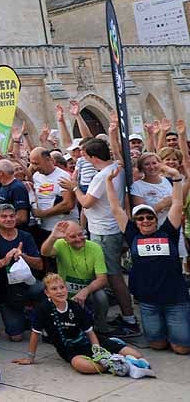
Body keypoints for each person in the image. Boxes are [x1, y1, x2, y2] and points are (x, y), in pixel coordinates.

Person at [104, 166, 190, 353]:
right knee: (157, 345)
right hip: (149, 300)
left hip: (175, 299)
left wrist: (176, 179)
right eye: (140, 218)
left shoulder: (168, 231)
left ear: (155, 219)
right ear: (136, 222)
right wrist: (109, 182)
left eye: (149, 217)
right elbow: (115, 208)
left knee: (182, 348)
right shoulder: (132, 234)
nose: (145, 220)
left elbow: (176, 204)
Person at [61, 138, 140, 337]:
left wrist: (74, 187)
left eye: (85, 155)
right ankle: (126, 316)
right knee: (113, 275)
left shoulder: (103, 175)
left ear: (93, 157)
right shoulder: (116, 168)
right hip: (110, 228)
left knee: (113, 276)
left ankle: (130, 320)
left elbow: (86, 202)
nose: (82, 158)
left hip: (104, 231)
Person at [13, 274, 148, 375]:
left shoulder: (75, 306)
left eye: (62, 287)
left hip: (87, 340)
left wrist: (97, 349)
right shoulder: (42, 309)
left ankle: (120, 358)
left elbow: (89, 332)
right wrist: (30, 358)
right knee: (82, 366)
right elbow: (35, 334)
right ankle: (115, 364)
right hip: (69, 348)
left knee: (136, 354)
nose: (59, 291)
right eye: (54, 289)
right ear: (47, 293)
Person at [0, 203, 44, 341]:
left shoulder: (26, 236)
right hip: (5, 290)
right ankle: (23, 317)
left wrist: (23, 256)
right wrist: (5, 260)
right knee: (16, 337)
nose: (8, 219)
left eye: (11, 216)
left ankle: (37, 316)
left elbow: (39, 265)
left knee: (43, 289)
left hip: (28, 284)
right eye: (4, 217)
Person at [39, 220, 110, 335]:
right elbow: (44, 252)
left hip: (88, 291)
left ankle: (99, 328)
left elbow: (102, 279)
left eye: (81, 234)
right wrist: (53, 237)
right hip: (64, 291)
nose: (78, 239)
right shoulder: (60, 244)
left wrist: (85, 291)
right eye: (72, 236)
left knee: (101, 296)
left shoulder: (95, 247)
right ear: (65, 239)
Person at [29, 147, 77, 243]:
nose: (34, 167)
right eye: (32, 163)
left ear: (48, 159)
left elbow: (68, 204)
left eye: (36, 163)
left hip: (64, 229)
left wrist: (44, 213)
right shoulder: (36, 176)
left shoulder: (62, 176)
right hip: (44, 227)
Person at [0, 159, 30, 228]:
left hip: (15, 234)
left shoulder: (17, 188)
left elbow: (22, 217)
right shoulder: (4, 184)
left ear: (0, 173)